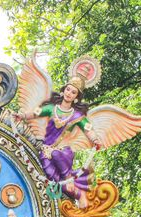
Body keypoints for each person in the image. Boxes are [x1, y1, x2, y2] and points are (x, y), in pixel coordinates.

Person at [17, 76, 101, 207]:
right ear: (63, 91)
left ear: (76, 97)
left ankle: (69, 180)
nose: (69, 93)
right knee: (52, 178)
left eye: (73, 92)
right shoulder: (51, 108)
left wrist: (95, 139)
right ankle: (78, 193)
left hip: (63, 152)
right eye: (68, 90)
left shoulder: (77, 116)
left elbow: (88, 128)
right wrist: (21, 116)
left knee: (56, 155)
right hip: (46, 150)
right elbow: (35, 113)